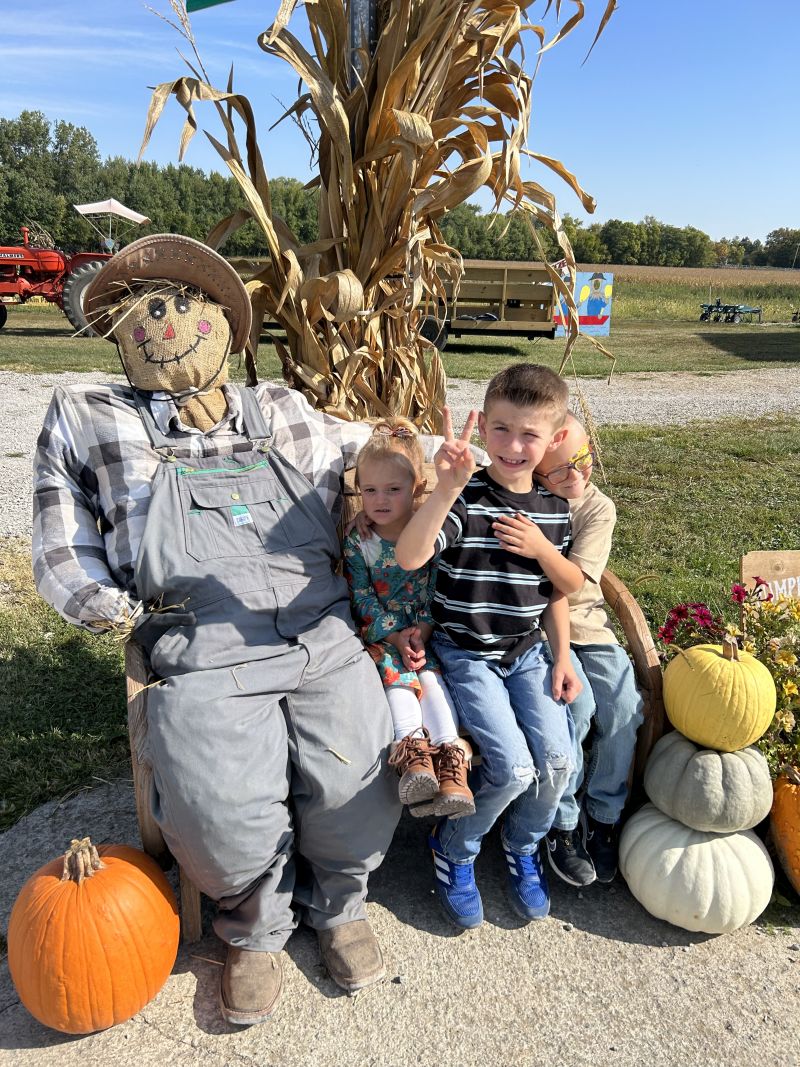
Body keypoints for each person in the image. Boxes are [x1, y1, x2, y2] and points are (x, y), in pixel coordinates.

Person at [32, 233, 404, 1027]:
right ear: (118, 329)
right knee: (216, 809)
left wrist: (447, 463)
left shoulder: (284, 411)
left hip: (320, 630)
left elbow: (382, 456)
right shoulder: (88, 416)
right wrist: (109, 607)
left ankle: (339, 904)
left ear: (225, 325)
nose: (164, 318)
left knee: (355, 778)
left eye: (184, 300)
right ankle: (256, 925)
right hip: (201, 644)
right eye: (143, 307)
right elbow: (58, 547)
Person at [395, 364, 583, 929]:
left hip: (528, 652)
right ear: (484, 428)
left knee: (558, 761)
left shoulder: (552, 511)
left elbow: (558, 591)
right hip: (467, 652)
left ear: (552, 440)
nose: (513, 445)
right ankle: (454, 847)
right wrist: (447, 487)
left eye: (530, 434)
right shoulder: (469, 499)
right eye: (500, 429)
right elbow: (410, 556)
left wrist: (563, 656)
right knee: (515, 770)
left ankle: (522, 846)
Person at [343, 417, 474, 819]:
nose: (380, 500)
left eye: (393, 490)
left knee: (430, 681)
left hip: (423, 630)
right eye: (369, 491)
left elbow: (438, 586)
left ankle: (452, 762)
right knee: (396, 679)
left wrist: (424, 630)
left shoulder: (428, 533)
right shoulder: (359, 540)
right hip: (384, 634)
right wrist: (397, 635)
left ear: (417, 489)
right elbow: (361, 596)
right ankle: (413, 753)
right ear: (358, 492)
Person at [536, 414, 644, 886]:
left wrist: (539, 549)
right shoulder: (527, 502)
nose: (577, 476)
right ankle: (560, 823)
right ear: (536, 472)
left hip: (588, 623)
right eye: (560, 470)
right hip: (536, 628)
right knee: (574, 708)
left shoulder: (597, 508)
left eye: (582, 460)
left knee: (623, 705)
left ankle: (603, 813)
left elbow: (576, 581)